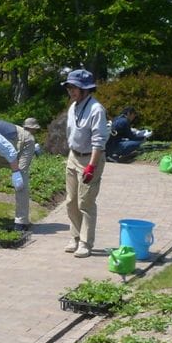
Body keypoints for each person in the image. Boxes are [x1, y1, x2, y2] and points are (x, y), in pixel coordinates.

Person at [62, 68, 109, 258]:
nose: (71, 91)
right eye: (70, 87)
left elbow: (99, 140)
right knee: (71, 201)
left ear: (86, 89)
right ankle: (74, 237)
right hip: (74, 156)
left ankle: (85, 242)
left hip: (91, 158)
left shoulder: (96, 109)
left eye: (75, 88)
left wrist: (91, 166)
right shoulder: (73, 107)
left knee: (86, 202)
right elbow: (69, 132)